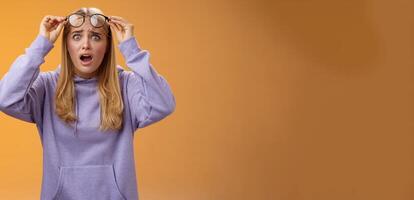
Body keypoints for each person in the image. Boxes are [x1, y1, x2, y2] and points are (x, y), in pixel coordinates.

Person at [0, 7, 175, 200]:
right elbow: (5, 98)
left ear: (108, 45)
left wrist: (132, 51)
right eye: (76, 36)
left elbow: (163, 104)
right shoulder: (47, 86)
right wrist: (41, 45)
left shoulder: (126, 85)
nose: (85, 45)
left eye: (96, 37)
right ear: (66, 44)